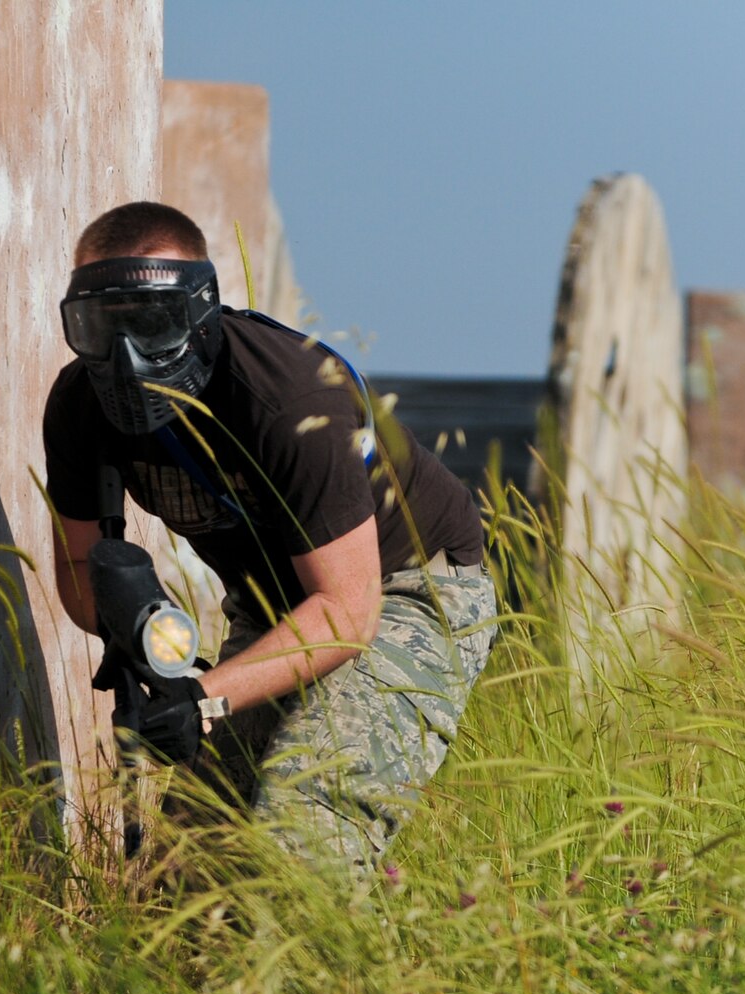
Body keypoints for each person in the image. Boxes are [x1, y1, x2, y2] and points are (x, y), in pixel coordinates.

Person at [42, 201, 497, 880]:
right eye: (103, 326)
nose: (128, 355)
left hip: (406, 589)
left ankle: (349, 988)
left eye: (152, 322)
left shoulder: (286, 395)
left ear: (199, 311)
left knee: (305, 833)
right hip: (271, 606)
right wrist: (131, 625)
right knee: (191, 877)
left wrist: (204, 697)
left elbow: (348, 612)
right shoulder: (80, 405)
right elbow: (80, 569)